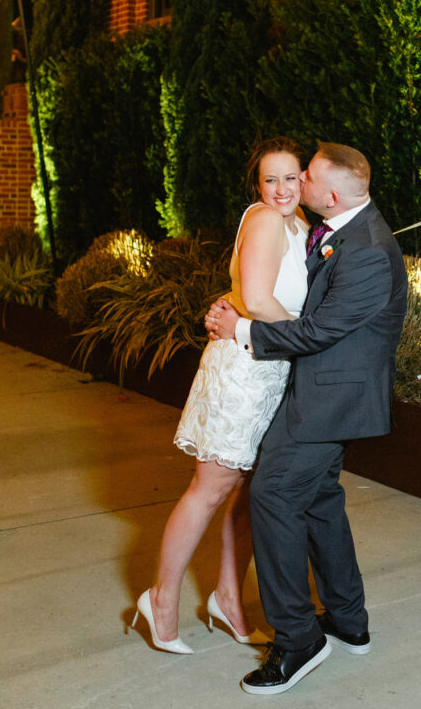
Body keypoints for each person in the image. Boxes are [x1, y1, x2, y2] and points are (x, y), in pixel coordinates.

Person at [206, 142, 407, 694]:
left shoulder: (364, 247)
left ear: (331, 194)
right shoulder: (346, 229)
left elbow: (318, 332)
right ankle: (347, 620)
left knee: (271, 495)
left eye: (307, 178)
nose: (298, 185)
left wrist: (241, 331)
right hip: (324, 389)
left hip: (329, 399)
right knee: (318, 500)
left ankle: (298, 639)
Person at [131, 137, 309, 654]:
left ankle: (229, 598)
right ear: (258, 185)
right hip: (244, 372)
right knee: (210, 489)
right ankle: (161, 599)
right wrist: (311, 332)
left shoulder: (298, 225)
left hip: (272, 369)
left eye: (290, 177)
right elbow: (253, 298)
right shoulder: (266, 219)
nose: (281, 188)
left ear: (305, 180)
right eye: (270, 179)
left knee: (254, 493)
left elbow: (250, 294)